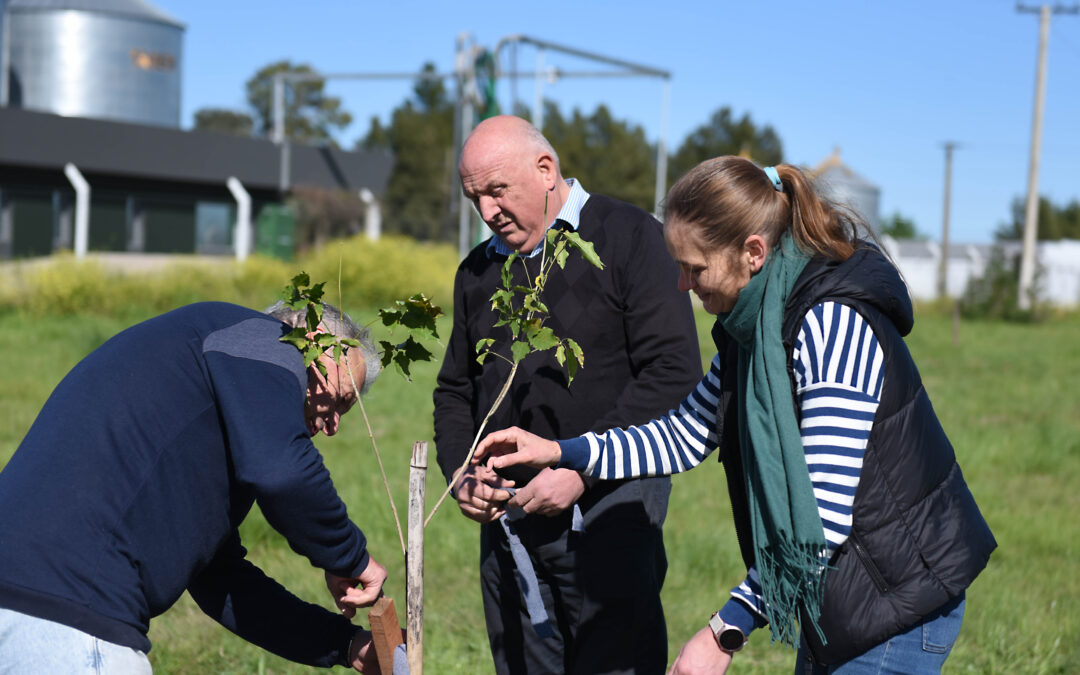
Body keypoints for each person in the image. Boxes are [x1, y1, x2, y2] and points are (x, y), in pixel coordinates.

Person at [475, 156, 998, 674]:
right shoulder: (751, 329)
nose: (683, 285)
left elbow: (820, 519)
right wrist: (564, 451)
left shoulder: (831, 324)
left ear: (752, 253)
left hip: (897, 597)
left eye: (694, 268)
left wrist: (724, 631)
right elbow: (684, 433)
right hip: (842, 591)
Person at [433, 115, 702, 674]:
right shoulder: (478, 273)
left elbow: (673, 370)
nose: (486, 212)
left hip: (612, 512)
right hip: (509, 523)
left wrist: (584, 468)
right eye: (474, 197)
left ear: (546, 169)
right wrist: (463, 475)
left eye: (497, 191)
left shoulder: (630, 238)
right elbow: (456, 390)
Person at [0, 300, 391, 672]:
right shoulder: (268, 341)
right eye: (339, 399)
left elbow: (220, 579)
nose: (333, 425)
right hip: (71, 615)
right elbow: (282, 470)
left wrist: (344, 644)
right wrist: (350, 558)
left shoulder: (212, 388)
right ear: (314, 339)